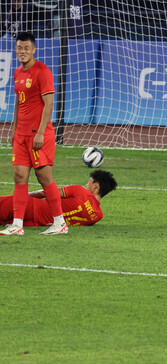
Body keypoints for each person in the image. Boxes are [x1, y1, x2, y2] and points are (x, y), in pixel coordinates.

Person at [0, 32, 66, 236]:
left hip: (39, 134)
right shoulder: (17, 72)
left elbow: (49, 105)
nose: (22, 51)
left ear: (34, 49)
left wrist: (39, 132)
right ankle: (17, 224)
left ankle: (60, 222)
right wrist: (14, 128)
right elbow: (20, 102)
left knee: (43, 177)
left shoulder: (42, 71)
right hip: (21, 135)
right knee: (19, 176)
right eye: (19, 47)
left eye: (26, 48)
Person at [0, 170, 117, 229]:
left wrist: (22, 197)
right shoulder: (97, 216)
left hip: (32, 206)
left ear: (96, 187)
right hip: (36, 223)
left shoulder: (79, 191)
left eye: (88, 183)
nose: (85, 185)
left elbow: (48, 193)